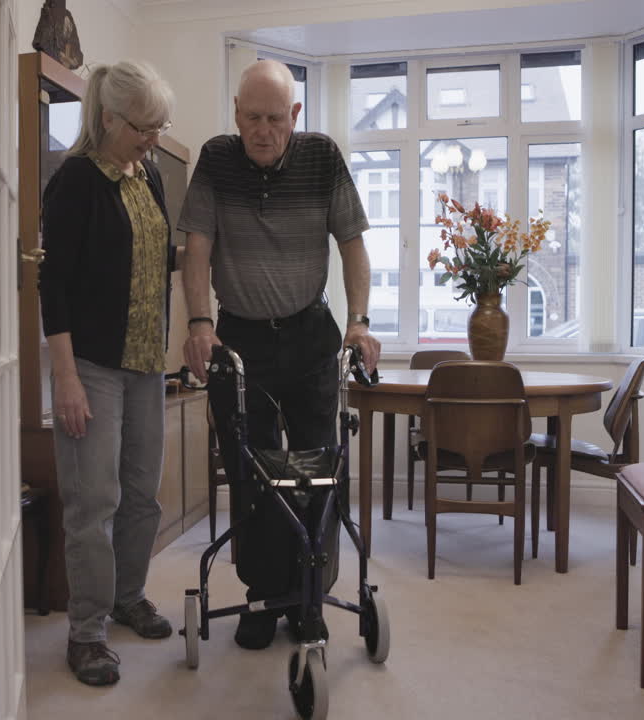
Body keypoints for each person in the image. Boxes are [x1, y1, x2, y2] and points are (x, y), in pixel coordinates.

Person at [177, 59, 381, 650]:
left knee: (319, 468)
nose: (262, 130)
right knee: (254, 470)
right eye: (251, 117)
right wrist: (198, 323)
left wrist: (360, 322)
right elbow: (197, 248)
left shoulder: (322, 158)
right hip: (239, 338)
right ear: (236, 113)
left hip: (310, 332)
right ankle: (264, 595)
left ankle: (310, 594)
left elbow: (353, 246)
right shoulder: (217, 159)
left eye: (275, 118)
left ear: (295, 115)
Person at [38, 60, 177, 687]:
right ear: (108, 118)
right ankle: (87, 633)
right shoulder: (73, 182)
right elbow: (54, 286)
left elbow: (155, 262)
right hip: (91, 365)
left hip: (147, 364)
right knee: (94, 502)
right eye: (142, 127)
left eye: (158, 126)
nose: (152, 138)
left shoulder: (147, 177)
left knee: (142, 494)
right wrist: (63, 377)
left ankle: (128, 595)